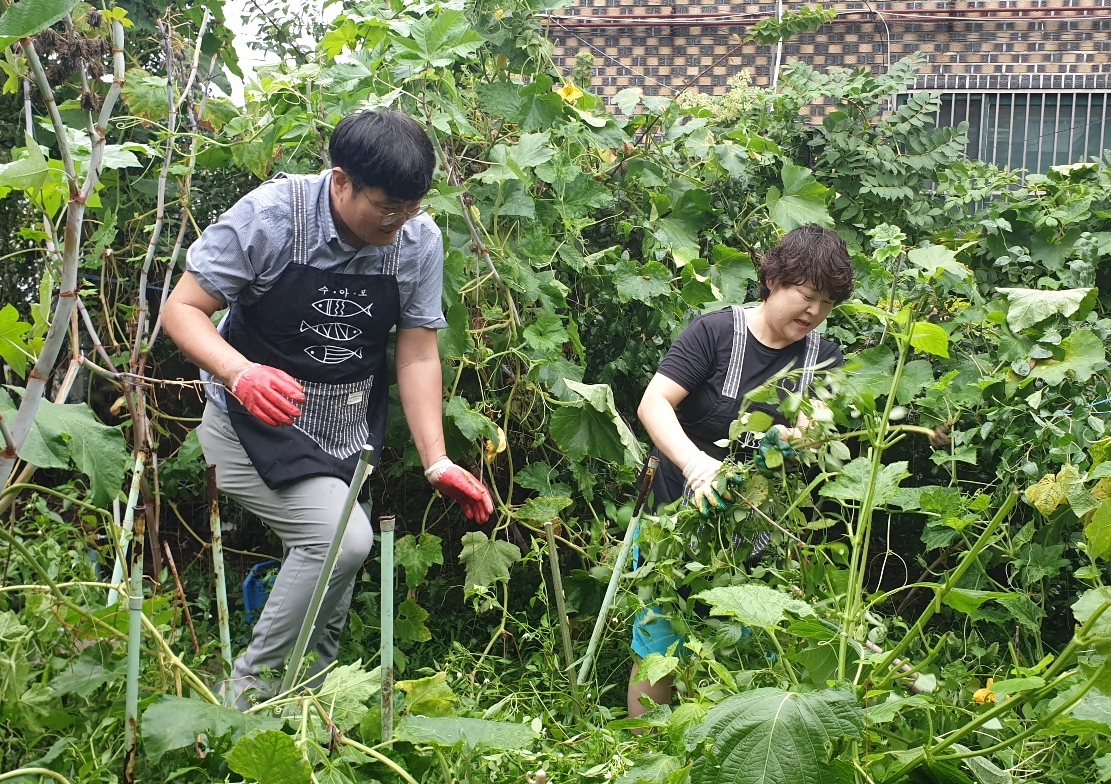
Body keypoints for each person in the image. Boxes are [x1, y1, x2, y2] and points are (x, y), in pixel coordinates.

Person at [162, 110, 494, 707]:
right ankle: (242, 703)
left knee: (334, 586)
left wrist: (437, 459)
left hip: (346, 431)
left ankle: (309, 716)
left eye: (412, 207)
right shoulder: (271, 217)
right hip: (250, 425)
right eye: (388, 207)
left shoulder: (416, 241)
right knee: (339, 543)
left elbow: (417, 352)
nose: (400, 222)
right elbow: (182, 309)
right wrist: (240, 373)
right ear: (341, 181)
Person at [627, 223, 854, 718]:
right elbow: (653, 404)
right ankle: (644, 756)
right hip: (676, 518)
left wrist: (788, 440)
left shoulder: (824, 357)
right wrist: (696, 465)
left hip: (760, 526)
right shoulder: (715, 333)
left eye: (827, 303)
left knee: (757, 643)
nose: (814, 312)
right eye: (807, 294)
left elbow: (816, 428)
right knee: (660, 642)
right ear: (774, 280)